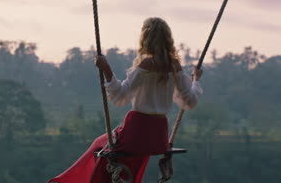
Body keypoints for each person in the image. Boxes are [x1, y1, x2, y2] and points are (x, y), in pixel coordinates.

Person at [48, 17, 203, 183]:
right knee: (131, 158)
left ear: (146, 38)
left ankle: (71, 180)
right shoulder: (175, 66)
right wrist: (196, 80)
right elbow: (189, 101)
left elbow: (120, 96)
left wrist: (106, 69)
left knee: (100, 145)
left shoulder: (147, 64)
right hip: (159, 138)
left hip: (136, 132)